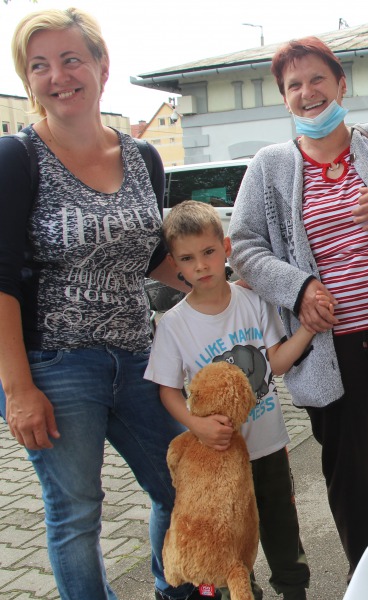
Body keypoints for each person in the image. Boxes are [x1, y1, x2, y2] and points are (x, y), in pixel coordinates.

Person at [227, 36, 368, 579]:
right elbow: (244, 246)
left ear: (340, 84)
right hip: (327, 342)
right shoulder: (271, 167)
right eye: (294, 86)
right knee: (346, 471)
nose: (307, 94)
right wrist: (300, 288)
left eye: (317, 80)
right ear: (285, 99)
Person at [0, 8, 196, 600]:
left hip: (141, 356)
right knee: (77, 512)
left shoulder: (144, 158)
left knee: (181, 483)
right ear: (28, 81)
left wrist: (220, 283)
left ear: (101, 67)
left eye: (70, 59)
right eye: (40, 66)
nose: (58, 76)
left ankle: (175, 585)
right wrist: (18, 390)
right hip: (55, 366)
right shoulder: (16, 158)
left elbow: (147, 257)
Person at [144, 201, 311, 600]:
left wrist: (307, 330)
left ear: (226, 248)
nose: (200, 266)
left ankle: (294, 591)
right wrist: (195, 424)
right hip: (218, 459)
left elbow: (274, 363)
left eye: (208, 252)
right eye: (187, 258)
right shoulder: (174, 326)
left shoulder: (253, 302)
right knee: (228, 536)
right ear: (175, 264)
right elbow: (166, 389)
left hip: (267, 445)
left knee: (281, 526)